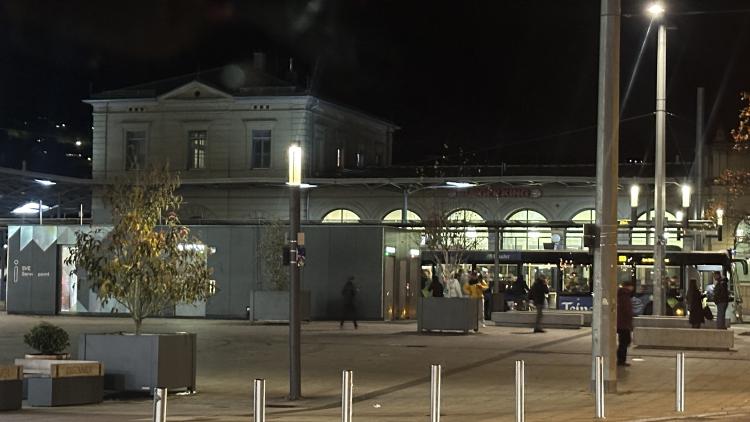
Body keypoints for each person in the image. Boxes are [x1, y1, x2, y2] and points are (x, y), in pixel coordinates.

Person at [617, 280, 635, 366]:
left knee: (624, 341)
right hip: (624, 323)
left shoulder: (622, 295)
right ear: (629, 286)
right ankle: (621, 360)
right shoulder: (625, 295)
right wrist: (631, 316)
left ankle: (620, 359)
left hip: (621, 323)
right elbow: (627, 310)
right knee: (625, 341)